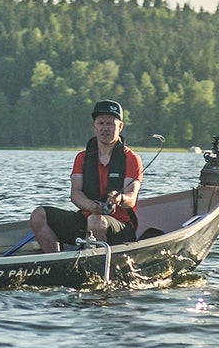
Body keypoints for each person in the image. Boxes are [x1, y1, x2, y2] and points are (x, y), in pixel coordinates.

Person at [29, 99, 143, 253]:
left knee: (95, 221)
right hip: (87, 219)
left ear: (120, 127)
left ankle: (98, 266)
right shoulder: (82, 158)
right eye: (101, 123)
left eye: (110, 124)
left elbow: (131, 198)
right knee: (38, 215)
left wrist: (119, 198)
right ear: (94, 126)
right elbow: (75, 194)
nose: (105, 128)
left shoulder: (131, 158)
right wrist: (91, 206)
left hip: (119, 227)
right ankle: (56, 261)